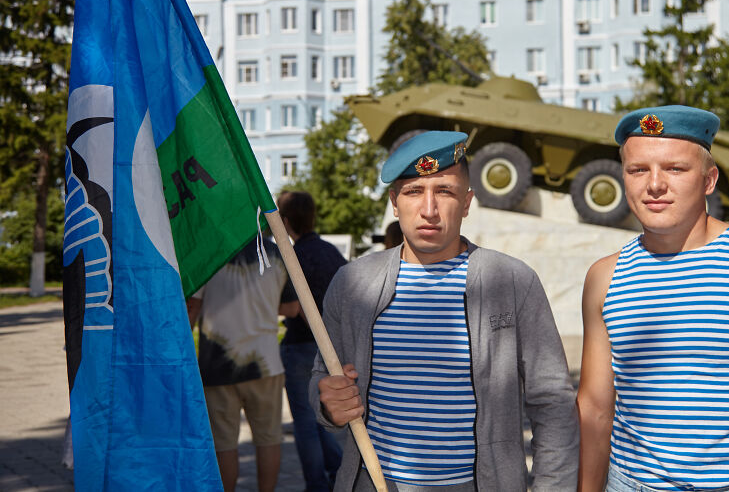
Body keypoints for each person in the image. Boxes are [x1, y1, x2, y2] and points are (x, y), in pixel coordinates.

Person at [309, 130, 579, 491]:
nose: (429, 209)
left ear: (467, 203)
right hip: (375, 483)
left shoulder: (513, 281)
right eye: (414, 191)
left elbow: (553, 402)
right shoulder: (352, 283)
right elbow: (321, 379)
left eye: (445, 192)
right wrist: (328, 403)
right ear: (394, 201)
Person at [577, 106, 729, 492]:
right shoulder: (604, 277)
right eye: (638, 169)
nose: (655, 184)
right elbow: (594, 410)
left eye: (675, 169)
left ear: (709, 180)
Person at [188, 235, 300, 492]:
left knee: (223, 444)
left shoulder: (210, 250)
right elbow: (292, 307)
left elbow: (192, 307)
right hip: (266, 364)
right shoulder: (276, 252)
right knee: (269, 439)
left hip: (216, 365)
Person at [276, 190, 344, 492]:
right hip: (332, 348)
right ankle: (339, 469)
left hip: (300, 345)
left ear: (286, 221)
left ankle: (317, 485)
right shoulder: (333, 253)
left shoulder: (293, 258)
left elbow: (294, 306)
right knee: (320, 418)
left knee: (305, 421)